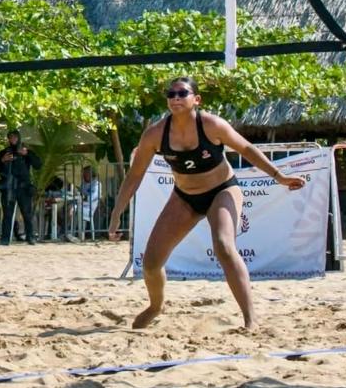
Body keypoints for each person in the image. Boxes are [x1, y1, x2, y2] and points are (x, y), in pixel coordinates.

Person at [107, 77, 305, 329]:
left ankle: (250, 318)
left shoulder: (212, 124)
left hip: (222, 190)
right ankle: (156, 306)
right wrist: (117, 212)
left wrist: (279, 177)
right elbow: (135, 175)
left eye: (182, 93)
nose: (175, 98)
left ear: (196, 99)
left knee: (224, 245)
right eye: (171, 94)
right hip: (184, 197)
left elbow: (246, 149)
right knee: (151, 262)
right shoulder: (155, 134)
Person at [0, 129, 41, 245]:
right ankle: (5, 239)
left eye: (15, 137)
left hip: (23, 188)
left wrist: (27, 154)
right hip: (9, 187)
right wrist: (3, 160)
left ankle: (30, 237)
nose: (13, 139)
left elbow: (38, 164)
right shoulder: (4, 153)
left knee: (27, 214)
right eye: (11, 137)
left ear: (19, 138)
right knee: (7, 214)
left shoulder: (25, 152)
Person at [77, 165, 102, 238]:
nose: (83, 176)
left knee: (70, 209)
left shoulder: (97, 184)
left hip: (88, 208)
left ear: (90, 174)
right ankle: (67, 232)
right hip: (80, 204)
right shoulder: (83, 184)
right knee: (64, 210)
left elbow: (91, 198)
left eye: (85, 174)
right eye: (83, 174)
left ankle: (72, 233)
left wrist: (82, 197)